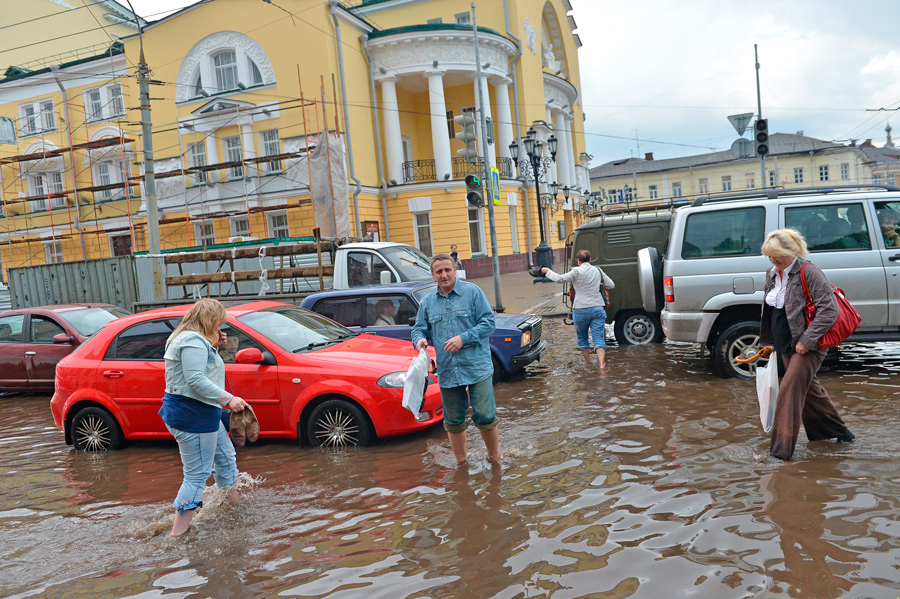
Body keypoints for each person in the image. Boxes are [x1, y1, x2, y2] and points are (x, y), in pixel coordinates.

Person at [757, 228, 854, 461]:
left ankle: (780, 454)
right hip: (785, 343)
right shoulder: (771, 273)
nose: (772, 260)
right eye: (769, 255)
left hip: (809, 344)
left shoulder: (810, 272)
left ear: (792, 251)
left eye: (776, 254)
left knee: (788, 392)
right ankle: (840, 433)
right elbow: (770, 312)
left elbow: (829, 311)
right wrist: (768, 343)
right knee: (811, 392)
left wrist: (807, 340)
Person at [159, 298, 250, 537]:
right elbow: (196, 380)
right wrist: (228, 399)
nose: (221, 329)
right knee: (197, 475)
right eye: (218, 324)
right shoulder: (192, 341)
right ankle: (177, 536)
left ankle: (234, 509)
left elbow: (201, 369)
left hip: (201, 413)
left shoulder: (191, 338)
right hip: (193, 415)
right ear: (209, 321)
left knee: (226, 459)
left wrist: (214, 345)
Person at [412, 254, 499, 465]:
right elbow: (418, 328)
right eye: (439, 272)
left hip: (477, 366)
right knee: (453, 420)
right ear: (433, 275)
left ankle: (494, 459)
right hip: (448, 369)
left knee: (485, 416)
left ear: (455, 271)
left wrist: (463, 339)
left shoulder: (473, 292)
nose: (444, 275)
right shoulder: (428, 302)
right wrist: (420, 340)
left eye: (447, 270)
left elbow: (489, 323)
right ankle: (462, 465)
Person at [541, 249, 615, 370]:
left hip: (580, 309)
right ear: (590, 260)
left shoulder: (575, 271)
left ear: (578, 261)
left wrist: (547, 271)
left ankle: (589, 363)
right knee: (598, 337)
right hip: (597, 308)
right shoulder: (597, 270)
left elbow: (560, 279)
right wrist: (598, 286)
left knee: (582, 338)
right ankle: (602, 364)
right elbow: (611, 284)